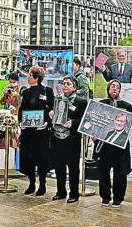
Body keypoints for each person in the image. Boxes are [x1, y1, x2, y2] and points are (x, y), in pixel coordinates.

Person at [94, 79, 132, 208]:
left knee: (120, 174)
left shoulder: (126, 106)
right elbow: (95, 123)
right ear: (108, 89)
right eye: (112, 86)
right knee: (103, 173)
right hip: (104, 146)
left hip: (120, 147)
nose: (115, 88)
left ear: (120, 90)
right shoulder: (101, 104)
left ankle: (118, 198)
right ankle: (105, 197)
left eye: (117, 86)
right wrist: (93, 135)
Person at [48, 75, 86, 203]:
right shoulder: (57, 99)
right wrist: (51, 114)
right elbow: (52, 116)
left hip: (72, 139)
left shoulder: (81, 101)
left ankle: (74, 193)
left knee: (73, 167)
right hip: (57, 138)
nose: (65, 86)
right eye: (64, 83)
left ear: (74, 87)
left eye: (68, 83)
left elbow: (85, 120)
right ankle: (60, 191)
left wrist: (73, 123)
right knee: (59, 166)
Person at [18, 66, 51, 196]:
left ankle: (42, 184)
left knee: (41, 158)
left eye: (30, 75)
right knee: (28, 158)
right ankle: (31, 183)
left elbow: (51, 109)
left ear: (36, 77)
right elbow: (21, 110)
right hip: (28, 132)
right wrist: (20, 121)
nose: (27, 77)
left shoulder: (47, 91)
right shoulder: (26, 92)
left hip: (41, 132)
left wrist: (47, 122)